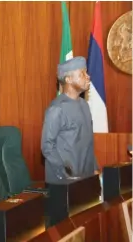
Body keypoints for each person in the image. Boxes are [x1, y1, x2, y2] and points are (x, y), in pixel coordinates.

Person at [41, 56, 99, 184]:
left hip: (86, 177)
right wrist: (65, 172)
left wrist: (94, 168)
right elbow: (47, 147)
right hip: (64, 182)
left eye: (86, 72)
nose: (88, 76)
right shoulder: (57, 109)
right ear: (68, 79)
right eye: (82, 74)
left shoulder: (84, 105)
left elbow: (88, 142)